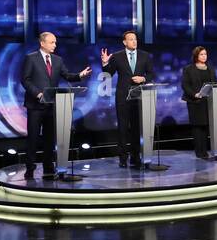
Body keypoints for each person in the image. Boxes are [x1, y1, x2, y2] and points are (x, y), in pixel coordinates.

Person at [19, 31, 92, 180]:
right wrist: (38, 94)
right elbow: (25, 80)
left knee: (49, 139)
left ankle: (48, 167)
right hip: (35, 105)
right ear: (42, 43)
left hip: (52, 105)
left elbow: (66, 75)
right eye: (52, 42)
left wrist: (80, 75)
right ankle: (30, 168)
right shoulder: (31, 58)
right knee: (33, 138)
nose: (55, 45)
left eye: (55, 42)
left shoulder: (58, 60)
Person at [100, 30, 154, 168]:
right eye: (131, 39)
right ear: (124, 42)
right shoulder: (117, 56)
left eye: (135, 39)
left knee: (137, 128)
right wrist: (105, 64)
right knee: (123, 128)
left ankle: (135, 157)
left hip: (139, 97)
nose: (134, 41)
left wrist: (143, 78)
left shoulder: (145, 55)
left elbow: (151, 74)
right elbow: (108, 74)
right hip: (123, 96)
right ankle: (123, 158)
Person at [181, 45, 217, 160]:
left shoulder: (210, 68)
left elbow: (215, 82)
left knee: (205, 126)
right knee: (197, 127)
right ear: (196, 55)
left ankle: (205, 151)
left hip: (208, 102)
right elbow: (185, 85)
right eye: (202, 54)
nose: (204, 56)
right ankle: (199, 151)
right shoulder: (189, 69)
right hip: (195, 101)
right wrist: (194, 94)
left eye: (205, 54)